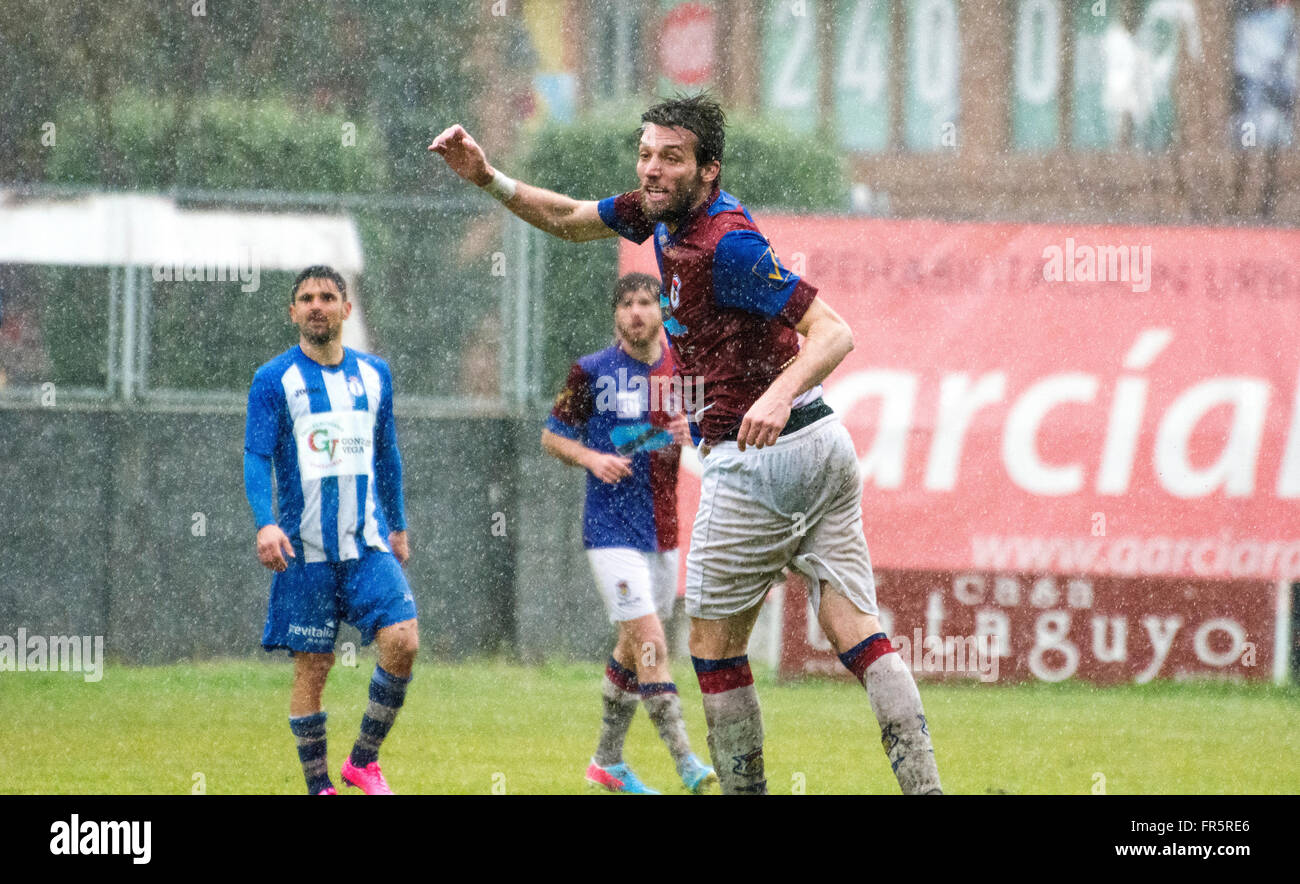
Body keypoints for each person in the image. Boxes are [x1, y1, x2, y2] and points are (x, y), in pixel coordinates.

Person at [430, 92, 942, 795]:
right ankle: (926, 789)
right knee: (856, 629)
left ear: (709, 171)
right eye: (645, 155)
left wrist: (772, 393)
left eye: (671, 158)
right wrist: (489, 177)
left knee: (710, 648)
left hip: (762, 458)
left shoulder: (726, 244)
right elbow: (572, 219)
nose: (652, 169)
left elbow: (835, 331)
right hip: (823, 450)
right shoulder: (657, 213)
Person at [244, 265, 419, 796]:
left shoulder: (375, 374)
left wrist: (399, 523)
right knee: (313, 671)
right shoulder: (274, 379)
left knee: (404, 640)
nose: (316, 305)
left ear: (347, 309)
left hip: (367, 544)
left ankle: (362, 761)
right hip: (305, 552)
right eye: (305, 298)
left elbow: (386, 452)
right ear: (292, 312)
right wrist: (265, 522)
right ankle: (319, 787)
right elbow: (257, 456)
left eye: (327, 297)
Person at [542, 271, 716, 795]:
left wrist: (695, 436)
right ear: (615, 314)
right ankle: (687, 761)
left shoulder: (683, 371)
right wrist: (592, 457)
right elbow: (553, 437)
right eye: (627, 304)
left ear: (660, 311)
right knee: (652, 646)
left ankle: (606, 763)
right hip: (609, 530)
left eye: (646, 302)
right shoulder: (591, 371)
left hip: (662, 531)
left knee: (631, 644)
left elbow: (711, 441)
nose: (637, 312)